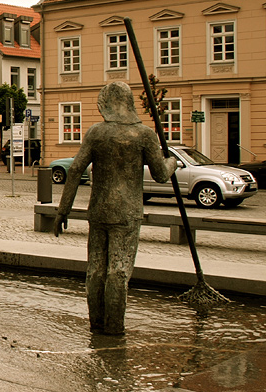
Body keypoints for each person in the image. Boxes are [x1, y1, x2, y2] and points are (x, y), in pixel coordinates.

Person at [52, 81, 176, 335]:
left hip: (98, 210)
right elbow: (162, 175)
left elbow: (75, 169)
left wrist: (63, 210)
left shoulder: (97, 132)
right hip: (127, 213)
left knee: (96, 269)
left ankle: (96, 324)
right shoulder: (144, 135)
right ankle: (115, 328)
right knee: (118, 271)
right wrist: (172, 161)